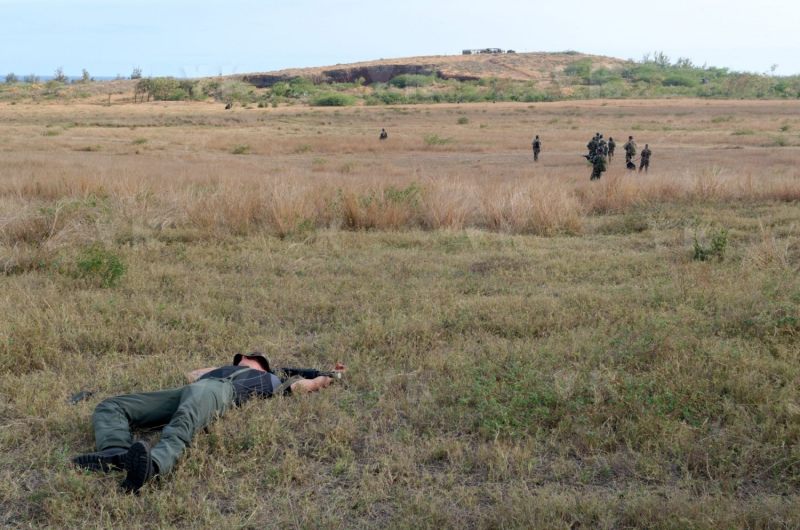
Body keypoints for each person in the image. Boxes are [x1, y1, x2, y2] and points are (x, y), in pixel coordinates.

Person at [72, 352, 345, 494]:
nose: (241, 359)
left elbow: (312, 383)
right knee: (112, 405)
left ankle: (153, 466)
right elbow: (191, 375)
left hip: (220, 392)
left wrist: (332, 375)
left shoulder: (274, 380)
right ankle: (113, 453)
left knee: (184, 421)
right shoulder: (223, 369)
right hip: (195, 389)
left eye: (248, 357)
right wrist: (214, 370)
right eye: (240, 358)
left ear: (262, 364)